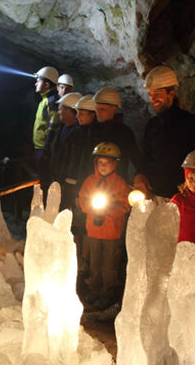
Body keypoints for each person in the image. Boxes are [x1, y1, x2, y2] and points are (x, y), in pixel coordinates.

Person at [141, 66, 195, 198]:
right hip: (158, 195)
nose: (152, 99)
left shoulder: (192, 124)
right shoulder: (152, 126)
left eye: (157, 93)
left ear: (171, 94)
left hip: (186, 198)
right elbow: (145, 157)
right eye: (150, 94)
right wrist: (140, 176)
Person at [77, 142, 132, 312]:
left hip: (111, 232)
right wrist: (91, 208)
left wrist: (109, 209)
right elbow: (82, 199)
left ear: (114, 164)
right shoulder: (90, 181)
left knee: (108, 265)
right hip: (93, 230)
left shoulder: (120, 184)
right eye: (100, 163)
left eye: (107, 163)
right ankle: (94, 290)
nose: (103, 166)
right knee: (95, 262)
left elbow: (126, 205)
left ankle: (107, 292)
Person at [88, 87, 147, 185]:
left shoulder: (124, 132)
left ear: (114, 109)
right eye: (96, 109)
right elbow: (86, 159)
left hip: (117, 184)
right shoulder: (92, 130)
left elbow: (136, 157)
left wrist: (140, 174)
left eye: (102, 109)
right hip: (94, 184)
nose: (98, 113)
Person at [41, 92, 82, 189]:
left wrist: (69, 181)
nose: (58, 112)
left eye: (60, 109)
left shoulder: (79, 134)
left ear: (70, 111)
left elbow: (75, 160)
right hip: (57, 178)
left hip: (67, 183)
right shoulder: (61, 128)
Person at [31, 66, 60, 164]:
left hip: (44, 149)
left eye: (38, 81)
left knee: (45, 177)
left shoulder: (51, 102)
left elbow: (53, 127)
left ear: (46, 85)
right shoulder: (45, 100)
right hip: (41, 147)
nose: (35, 83)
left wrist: (46, 150)